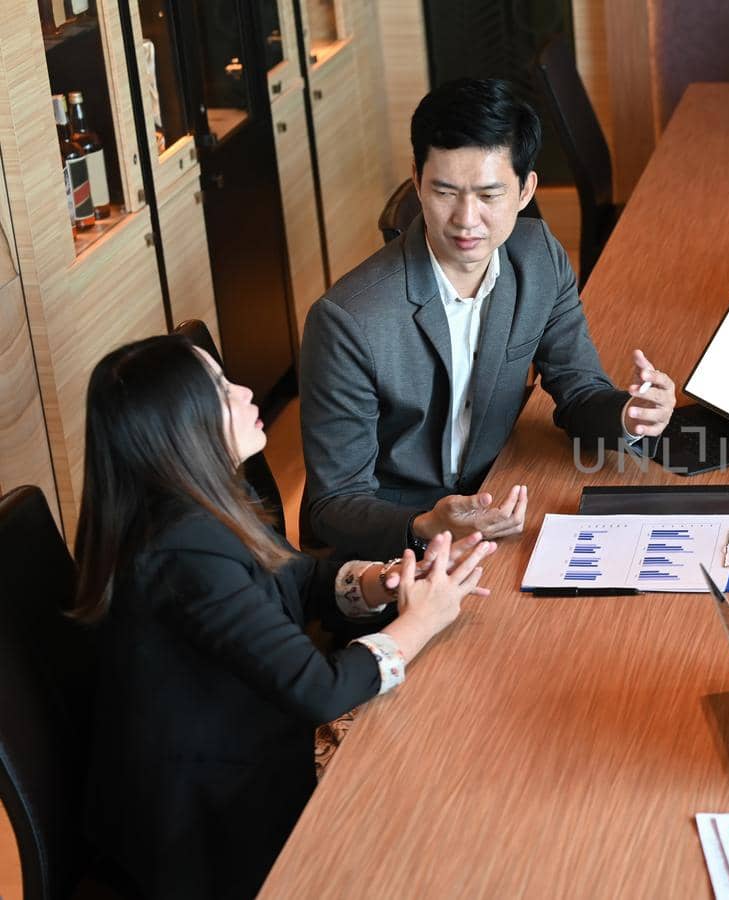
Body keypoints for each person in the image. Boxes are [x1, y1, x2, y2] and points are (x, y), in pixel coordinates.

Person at [74, 335, 497, 899]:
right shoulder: (184, 550)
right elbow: (319, 690)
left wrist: (387, 580)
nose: (246, 391)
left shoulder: (200, 500)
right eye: (222, 391)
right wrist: (419, 623)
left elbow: (296, 576)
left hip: (239, 766)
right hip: (211, 826)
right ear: (183, 426)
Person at [299, 78, 676, 561]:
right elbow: (335, 504)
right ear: (416, 180)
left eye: (489, 195)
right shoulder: (347, 320)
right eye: (445, 192)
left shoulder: (538, 257)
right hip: (398, 541)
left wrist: (629, 415)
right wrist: (426, 527)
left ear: (525, 190)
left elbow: (579, 393)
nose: (466, 219)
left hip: (500, 495)